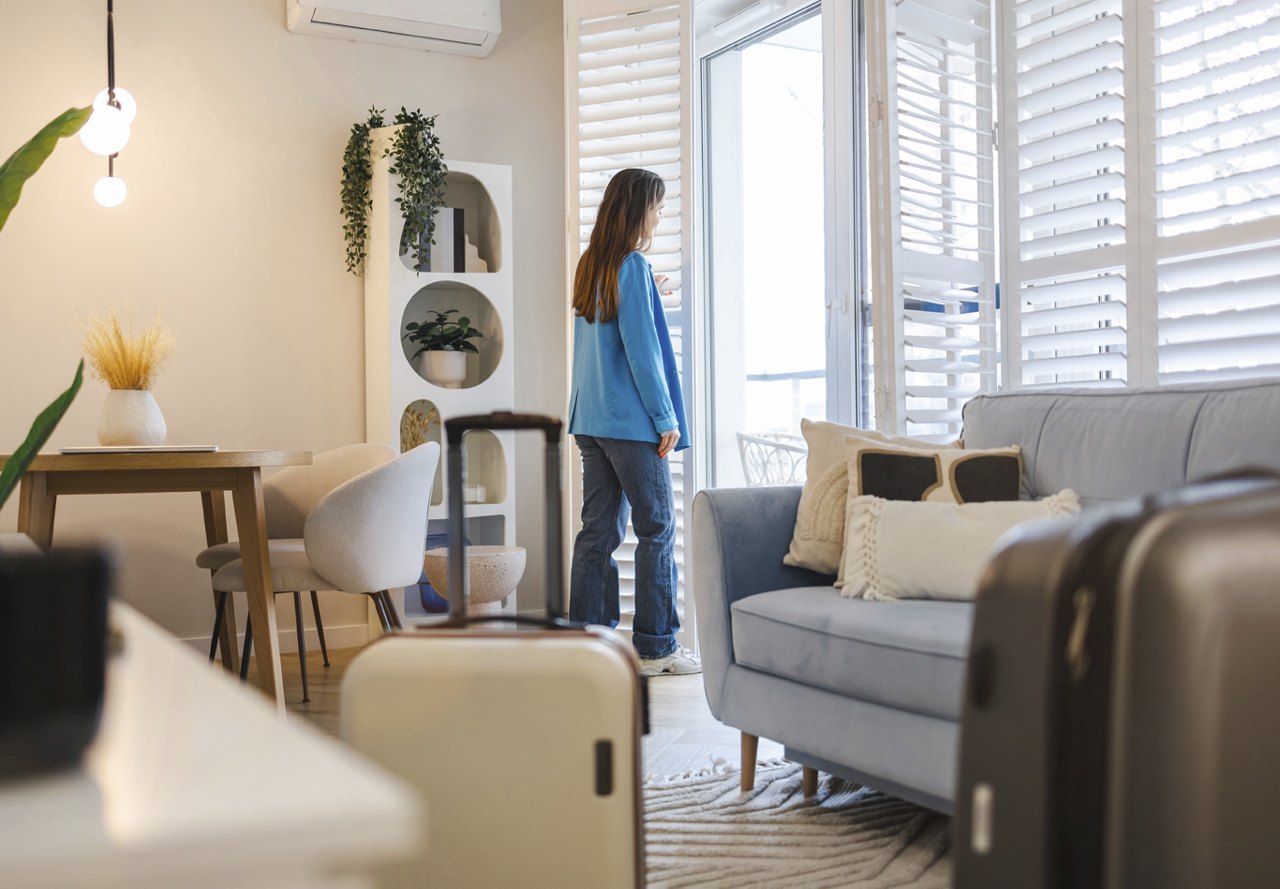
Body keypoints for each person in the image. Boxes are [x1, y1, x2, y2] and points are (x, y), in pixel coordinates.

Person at [567, 168, 700, 676]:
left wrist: (652, 289)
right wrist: (665, 417)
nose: (661, 217)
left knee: (597, 533)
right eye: (659, 208)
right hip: (630, 423)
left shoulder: (592, 265)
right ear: (638, 209)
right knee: (658, 527)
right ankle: (656, 646)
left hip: (590, 418)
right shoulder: (633, 266)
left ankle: (589, 644)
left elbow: (612, 323)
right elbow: (642, 352)